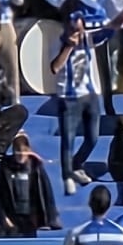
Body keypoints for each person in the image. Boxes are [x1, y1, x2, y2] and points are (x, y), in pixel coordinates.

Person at [50, 17, 108, 195]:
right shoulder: (56, 42)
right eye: (74, 30)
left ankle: (76, 164)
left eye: (79, 30)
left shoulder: (88, 39)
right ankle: (67, 176)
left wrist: (122, 17)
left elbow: (108, 31)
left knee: (93, 137)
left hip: (90, 94)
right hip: (69, 97)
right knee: (68, 139)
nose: (77, 33)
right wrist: (68, 47)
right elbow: (54, 67)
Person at [0, 132, 63, 237]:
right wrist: (4, 218)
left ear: (29, 151)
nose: (21, 155)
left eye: (24, 151)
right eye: (18, 151)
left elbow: (47, 194)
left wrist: (48, 219)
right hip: (12, 218)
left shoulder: (35, 166)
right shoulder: (5, 166)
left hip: (30, 219)